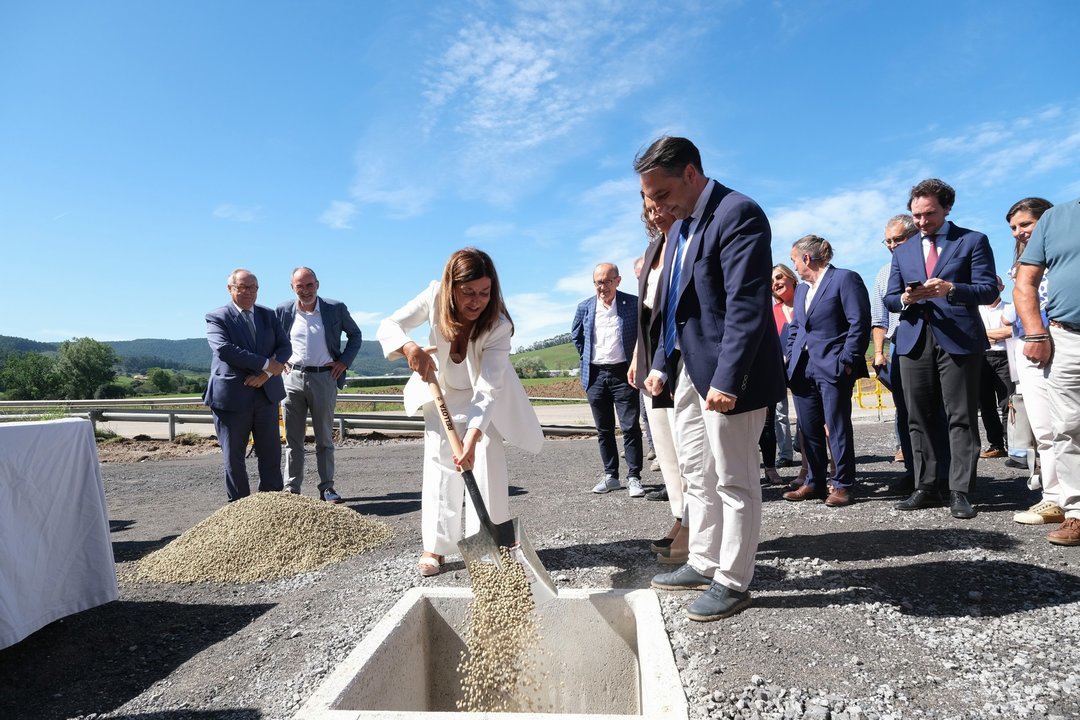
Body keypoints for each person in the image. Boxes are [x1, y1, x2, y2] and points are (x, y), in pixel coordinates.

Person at [637, 136, 785, 622]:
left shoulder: (738, 213)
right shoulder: (680, 228)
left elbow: (746, 304)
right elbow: (676, 306)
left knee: (735, 479)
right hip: (687, 371)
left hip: (727, 375)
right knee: (696, 472)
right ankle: (702, 561)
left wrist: (729, 379)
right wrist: (661, 363)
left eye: (660, 194)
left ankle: (734, 580)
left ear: (692, 175)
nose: (655, 206)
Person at [377, 247, 543, 575]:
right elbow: (390, 325)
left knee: (485, 458)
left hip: (483, 395)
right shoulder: (435, 295)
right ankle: (436, 548)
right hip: (440, 389)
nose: (476, 301)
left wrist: (473, 435)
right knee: (441, 465)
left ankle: (488, 547)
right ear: (452, 286)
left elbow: (489, 388)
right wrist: (409, 347)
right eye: (467, 292)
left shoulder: (499, 324)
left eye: (484, 293)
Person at [885, 179, 997, 520]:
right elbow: (890, 298)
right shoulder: (903, 251)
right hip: (914, 339)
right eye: (916, 215)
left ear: (947, 208)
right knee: (917, 416)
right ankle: (925, 485)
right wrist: (906, 297)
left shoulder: (972, 241)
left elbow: (988, 289)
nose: (921, 221)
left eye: (929, 214)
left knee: (960, 416)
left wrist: (951, 289)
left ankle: (960, 490)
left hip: (959, 339)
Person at [782, 235, 871, 507]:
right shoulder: (801, 290)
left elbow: (859, 323)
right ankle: (815, 481)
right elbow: (797, 326)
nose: (794, 265)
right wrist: (790, 351)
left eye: (794, 260)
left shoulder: (845, 279)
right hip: (802, 368)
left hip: (832, 366)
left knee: (837, 426)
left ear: (806, 258)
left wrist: (846, 360)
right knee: (808, 428)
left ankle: (842, 484)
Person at [1014, 195, 1080, 546]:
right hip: (1067, 336)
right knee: (1068, 427)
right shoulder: (1057, 219)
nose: (1017, 232)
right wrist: (1036, 332)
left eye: (1023, 224)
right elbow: (1025, 282)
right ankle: (1076, 511)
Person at [629, 195, 689, 565]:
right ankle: (680, 517)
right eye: (650, 211)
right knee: (664, 444)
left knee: (688, 446)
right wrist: (639, 355)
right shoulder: (653, 249)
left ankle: (697, 524)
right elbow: (646, 313)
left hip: (681, 352)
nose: (657, 214)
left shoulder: (687, 242)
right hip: (652, 352)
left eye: (661, 206)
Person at [276, 267, 363, 503]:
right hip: (292, 378)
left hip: (325, 377)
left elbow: (355, 335)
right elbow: (273, 338)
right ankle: (291, 490)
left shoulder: (335, 308)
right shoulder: (283, 311)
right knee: (293, 440)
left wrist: (344, 361)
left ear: (317, 284)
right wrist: (278, 359)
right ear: (292, 287)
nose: (305, 290)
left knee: (324, 438)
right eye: (299, 286)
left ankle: (327, 488)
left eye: (309, 285)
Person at [204, 269, 291, 502]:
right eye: (242, 287)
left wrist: (265, 373)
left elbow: (285, 348)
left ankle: (272, 505)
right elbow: (224, 349)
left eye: (253, 287)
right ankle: (239, 511)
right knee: (234, 457)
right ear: (230, 288)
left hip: (266, 394)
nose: (249, 292)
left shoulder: (268, 315)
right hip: (232, 397)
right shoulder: (217, 317)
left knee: (271, 454)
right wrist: (266, 364)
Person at [1004, 198, 1062, 526]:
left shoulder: (1065, 259)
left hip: (1063, 343)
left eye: (1025, 224)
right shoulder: (1020, 267)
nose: (1018, 233)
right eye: (1013, 227)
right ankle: (1054, 497)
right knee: (1043, 428)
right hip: (1029, 350)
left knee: (1070, 424)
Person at [572, 262, 643, 497]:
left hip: (624, 374)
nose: (603, 287)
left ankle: (634, 477)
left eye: (607, 281)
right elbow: (577, 337)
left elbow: (643, 335)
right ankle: (611, 475)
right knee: (603, 430)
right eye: (598, 282)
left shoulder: (632, 304)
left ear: (618, 281)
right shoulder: (585, 307)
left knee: (630, 427)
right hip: (595, 376)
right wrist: (588, 359)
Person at [870, 215, 918, 479]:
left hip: (931, 344)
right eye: (887, 241)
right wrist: (878, 353)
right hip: (900, 346)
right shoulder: (883, 275)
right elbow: (879, 320)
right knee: (905, 409)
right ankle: (913, 471)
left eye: (897, 239)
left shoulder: (929, 264)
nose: (891, 245)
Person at [976, 275, 1014, 459]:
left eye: (994, 285)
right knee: (986, 405)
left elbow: (1011, 331)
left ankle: (1013, 444)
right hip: (982, 358)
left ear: (1001, 287)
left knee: (1008, 402)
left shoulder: (1010, 308)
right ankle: (996, 444)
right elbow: (973, 333)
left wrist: (983, 334)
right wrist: (997, 334)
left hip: (1005, 357)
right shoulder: (975, 310)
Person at [770, 264, 798, 471]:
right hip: (778, 368)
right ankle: (785, 453)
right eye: (771, 282)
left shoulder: (807, 304)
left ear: (792, 278)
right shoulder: (773, 312)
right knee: (780, 412)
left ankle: (802, 441)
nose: (775, 284)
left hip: (804, 367)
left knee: (808, 410)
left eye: (779, 278)